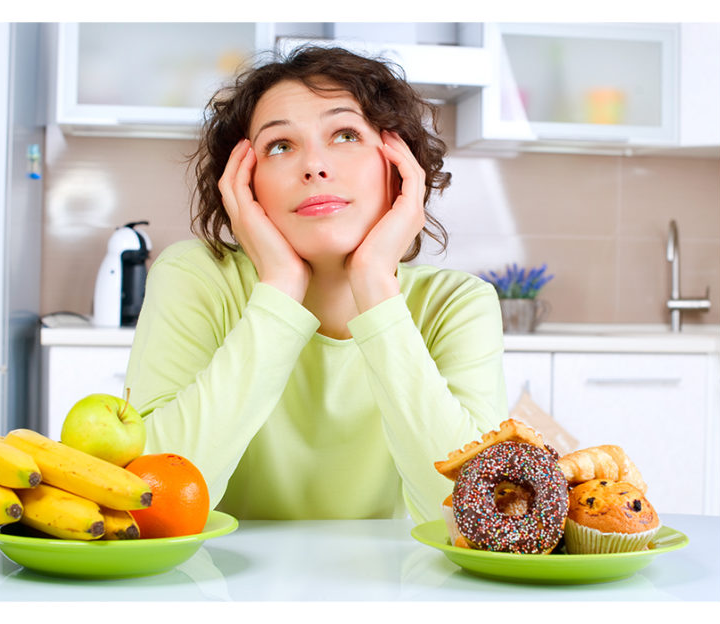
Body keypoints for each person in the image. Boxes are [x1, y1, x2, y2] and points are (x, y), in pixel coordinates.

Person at [125, 45, 506, 522]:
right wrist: (281, 289)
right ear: (245, 183)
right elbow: (149, 501)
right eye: (280, 146)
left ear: (399, 166)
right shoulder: (196, 277)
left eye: (345, 134)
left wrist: (374, 288)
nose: (314, 166)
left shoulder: (457, 304)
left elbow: (475, 517)